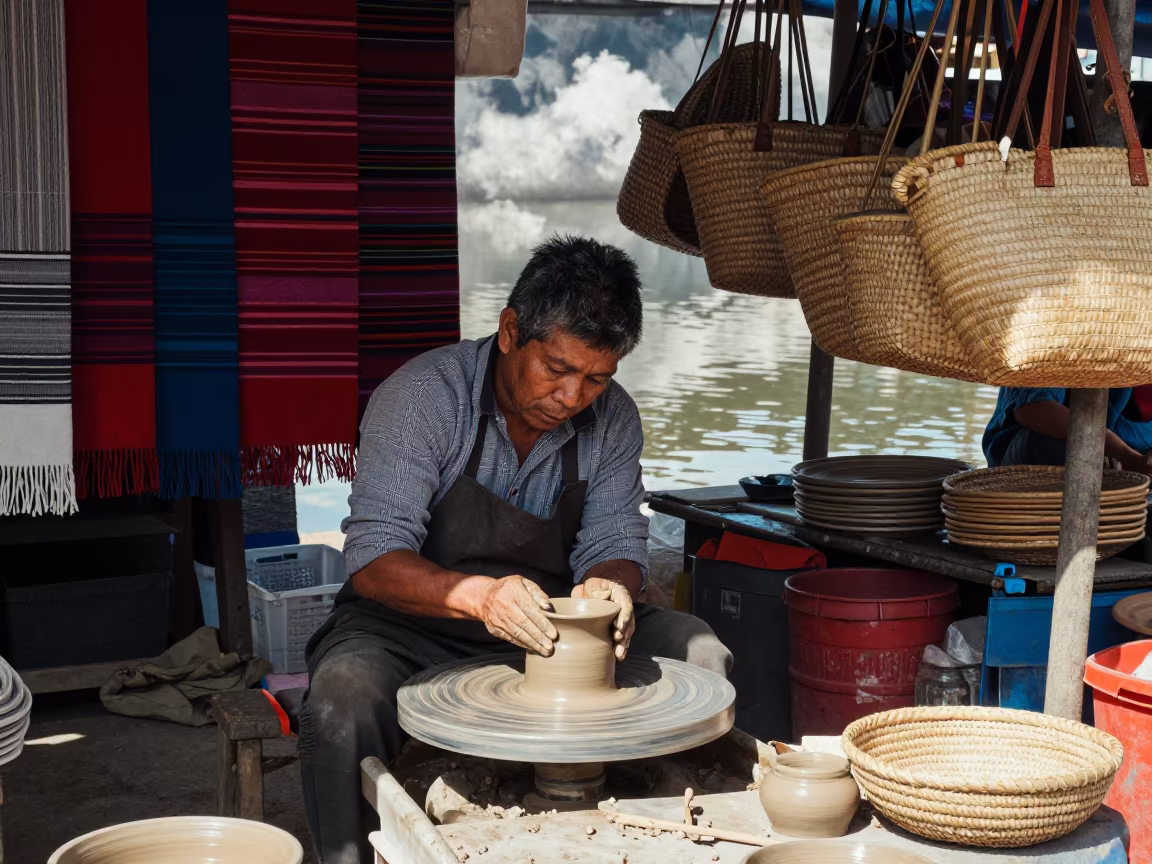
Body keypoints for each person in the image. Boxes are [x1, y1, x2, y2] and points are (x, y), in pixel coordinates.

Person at [299, 235, 733, 864]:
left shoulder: (613, 417)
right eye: (557, 370)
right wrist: (482, 598)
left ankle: (663, 839)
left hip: (554, 630)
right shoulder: (423, 398)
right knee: (343, 692)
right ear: (509, 332)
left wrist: (612, 585)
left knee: (697, 651)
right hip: (410, 625)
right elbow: (373, 558)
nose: (572, 396)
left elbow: (614, 538)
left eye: (595, 377)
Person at [982, 387, 1152, 471]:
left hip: (1124, 470)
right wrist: (1125, 454)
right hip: (1026, 459)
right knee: (1065, 451)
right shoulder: (1064, 331)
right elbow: (1032, 410)